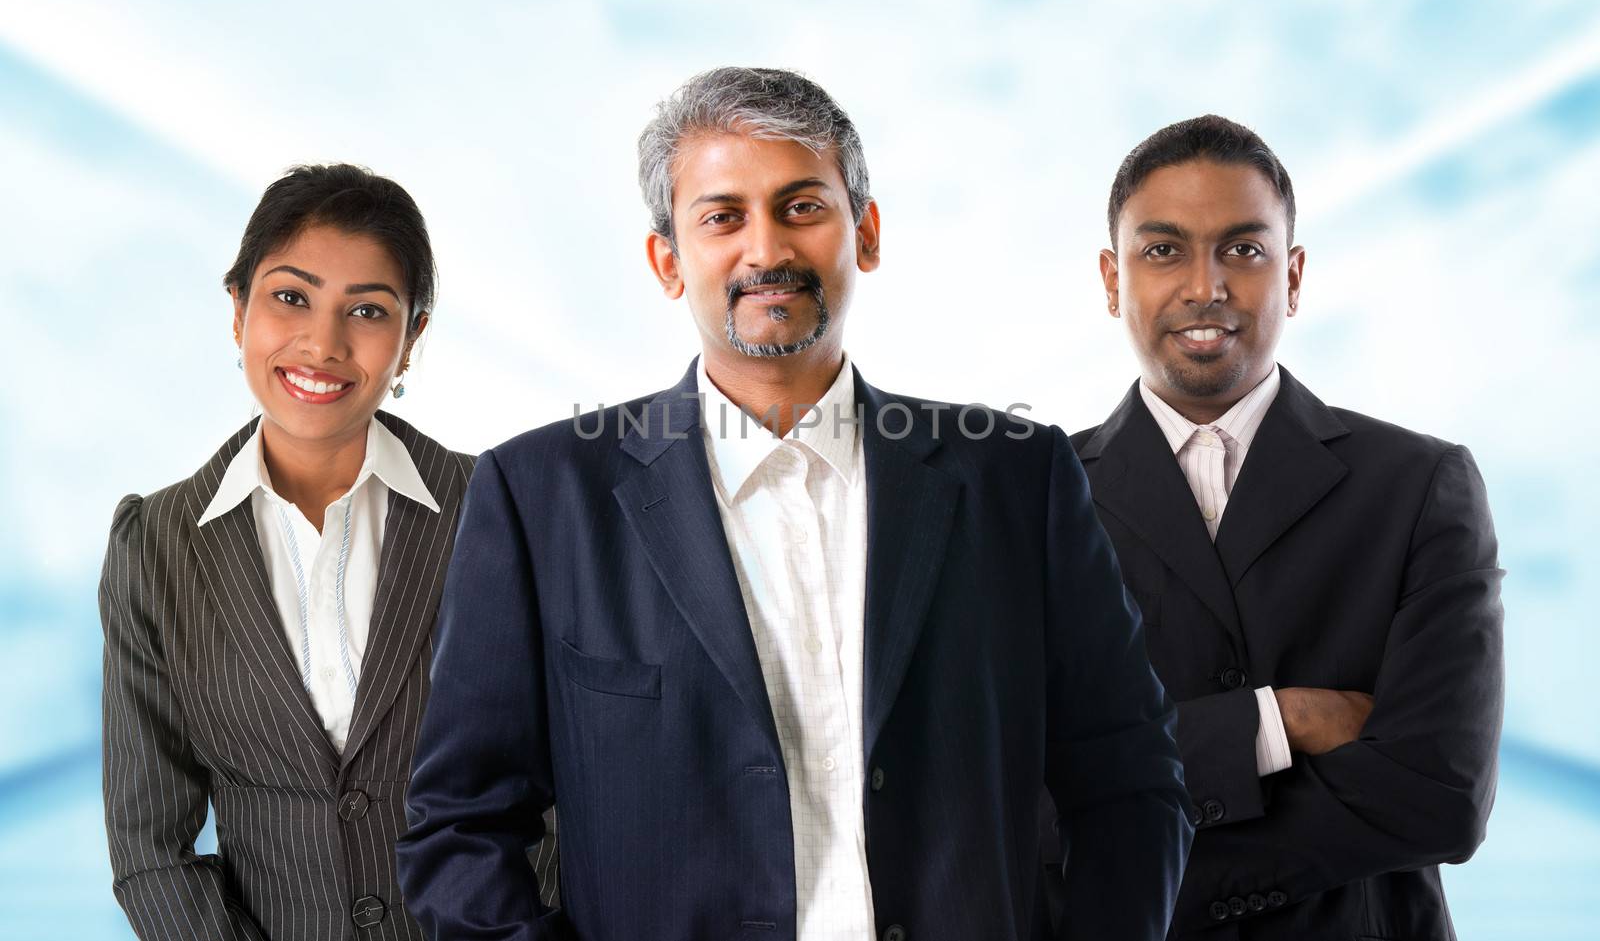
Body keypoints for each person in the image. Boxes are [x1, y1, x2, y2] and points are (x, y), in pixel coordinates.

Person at [397, 67, 1192, 941]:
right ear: (668, 261)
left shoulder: (1018, 476)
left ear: (867, 231)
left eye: (802, 206)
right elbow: (460, 826)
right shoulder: (539, 499)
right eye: (722, 216)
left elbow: (1131, 782)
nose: (765, 248)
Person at [1047, 115, 1504, 938]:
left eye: (1243, 250)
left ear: (1292, 276)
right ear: (1113, 280)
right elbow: (1017, 796)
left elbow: (1443, 793)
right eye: (1164, 250)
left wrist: (1149, 861)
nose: (1205, 285)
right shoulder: (1037, 500)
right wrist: (1276, 721)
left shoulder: (1418, 486)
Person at [99, 164, 555, 940]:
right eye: (290, 297)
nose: (323, 342)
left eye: (368, 310)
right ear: (238, 309)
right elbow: (151, 845)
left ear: (411, 338)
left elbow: (573, 787)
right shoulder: (155, 544)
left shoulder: (504, 512)